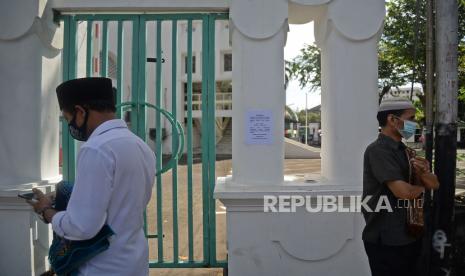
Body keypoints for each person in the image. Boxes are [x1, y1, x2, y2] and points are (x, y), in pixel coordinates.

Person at [28, 77, 156, 275]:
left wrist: (46, 211)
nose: (70, 125)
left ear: (80, 112)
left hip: (102, 267)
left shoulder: (96, 149)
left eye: (68, 118)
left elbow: (81, 227)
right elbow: (121, 201)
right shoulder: (140, 146)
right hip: (135, 262)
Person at [362, 98, 439, 276]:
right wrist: (424, 187)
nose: (414, 124)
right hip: (387, 239)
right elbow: (404, 192)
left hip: (409, 234)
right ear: (392, 120)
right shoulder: (378, 150)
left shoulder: (406, 150)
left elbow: (435, 182)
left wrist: (424, 173)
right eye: (411, 118)